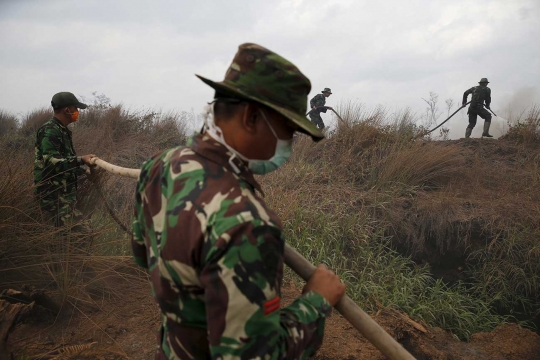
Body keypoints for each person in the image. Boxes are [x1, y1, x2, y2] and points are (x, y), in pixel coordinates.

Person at [132, 43, 346, 359]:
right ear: (251, 117)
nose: (288, 142)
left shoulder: (161, 165)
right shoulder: (248, 222)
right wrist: (317, 300)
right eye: (287, 129)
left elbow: (141, 253)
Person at [34, 92, 96, 227]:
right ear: (67, 110)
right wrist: (81, 159)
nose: (78, 112)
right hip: (54, 198)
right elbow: (52, 162)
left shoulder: (62, 130)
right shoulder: (50, 130)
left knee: (68, 237)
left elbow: (65, 162)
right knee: (82, 233)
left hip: (63, 197)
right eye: (75, 108)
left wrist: (84, 172)